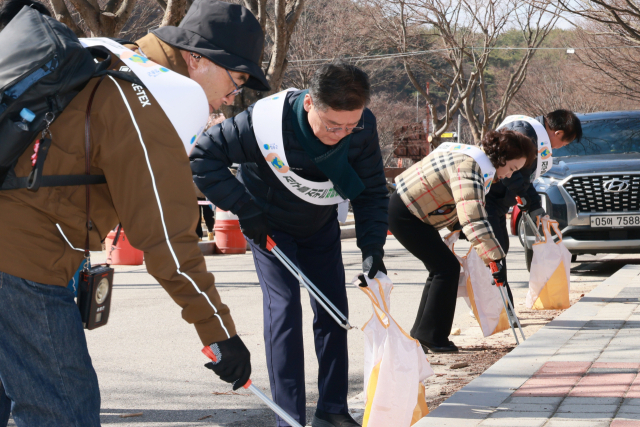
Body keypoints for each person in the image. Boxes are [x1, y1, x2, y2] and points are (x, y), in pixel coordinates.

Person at [0, 1, 268, 425]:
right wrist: (220, 333)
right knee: (65, 407)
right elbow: (166, 235)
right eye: (237, 81)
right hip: (22, 262)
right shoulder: (145, 99)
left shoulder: (110, 58)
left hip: (17, 246)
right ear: (197, 59)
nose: (233, 97)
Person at [190, 62, 389, 427]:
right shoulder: (262, 121)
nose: (342, 134)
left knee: (334, 312)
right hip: (268, 225)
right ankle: (289, 417)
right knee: (284, 312)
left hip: (320, 224)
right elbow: (203, 157)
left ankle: (332, 410)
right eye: (333, 126)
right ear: (310, 103)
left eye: (350, 126)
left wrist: (372, 251)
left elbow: (373, 190)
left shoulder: (362, 126)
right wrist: (244, 208)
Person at [388, 130, 537, 353]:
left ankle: (424, 335)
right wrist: (494, 258)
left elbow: (459, 205)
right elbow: (473, 216)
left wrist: (461, 230)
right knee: (445, 268)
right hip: (407, 213)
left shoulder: (473, 158)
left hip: (413, 211)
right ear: (502, 158)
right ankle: (431, 336)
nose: (508, 175)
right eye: (512, 168)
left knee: (442, 267)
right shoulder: (471, 167)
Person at [486, 110, 582, 303]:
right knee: (494, 250)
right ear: (559, 133)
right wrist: (525, 199)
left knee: (499, 248)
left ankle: (498, 304)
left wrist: (534, 206)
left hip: (499, 203)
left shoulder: (535, 135)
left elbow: (526, 180)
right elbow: (511, 173)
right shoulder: (524, 132)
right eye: (565, 143)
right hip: (490, 200)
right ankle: (499, 305)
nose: (561, 147)